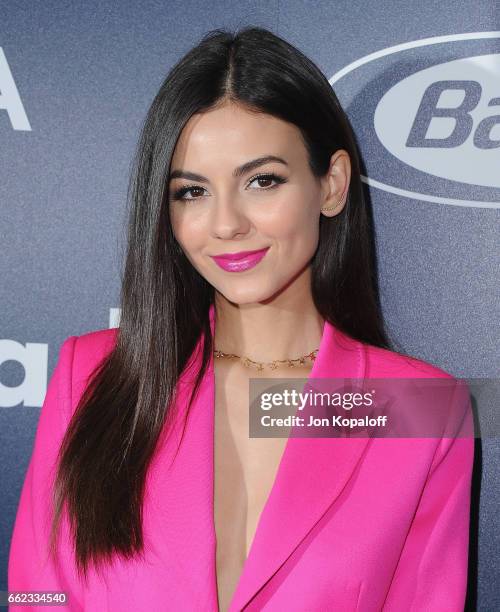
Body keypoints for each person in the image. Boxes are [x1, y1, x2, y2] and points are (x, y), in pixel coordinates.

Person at [8, 26, 474, 611]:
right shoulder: (90, 376)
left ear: (330, 185)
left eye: (262, 181)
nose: (226, 223)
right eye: (192, 192)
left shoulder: (416, 405)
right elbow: (36, 595)